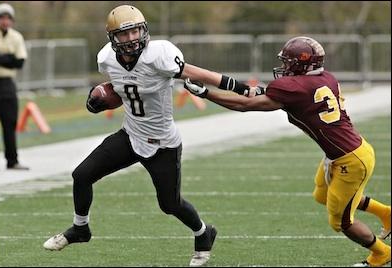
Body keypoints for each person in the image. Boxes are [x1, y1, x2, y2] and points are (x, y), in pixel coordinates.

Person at [42, 5, 261, 266]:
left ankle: (204, 234)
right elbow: (121, 89)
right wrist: (98, 100)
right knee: (81, 175)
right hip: (130, 135)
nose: (132, 38)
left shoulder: (159, 55)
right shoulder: (107, 59)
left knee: (170, 204)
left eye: (135, 31)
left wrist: (242, 88)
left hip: (162, 144)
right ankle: (80, 229)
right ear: (113, 38)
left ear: (143, 30)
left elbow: (199, 73)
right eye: (125, 34)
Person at [184, 36, 391, 267]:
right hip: (350, 150)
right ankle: (386, 214)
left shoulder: (294, 87)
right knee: (322, 195)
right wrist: (243, 89)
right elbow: (277, 95)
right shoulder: (326, 78)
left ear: (302, 65)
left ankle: (381, 253)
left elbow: (245, 105)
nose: (284, 68)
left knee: (341, 222)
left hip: (349, 161)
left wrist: (207, 94)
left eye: (289, 62)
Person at [0, 3, 29, 170]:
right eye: (2, 18)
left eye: (8, 18)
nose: (5, 21)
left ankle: (12, 160)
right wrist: (8, 58)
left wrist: (1, 57)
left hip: (7, 84)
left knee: (10, 122)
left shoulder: (16, 37)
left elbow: (19, 62)